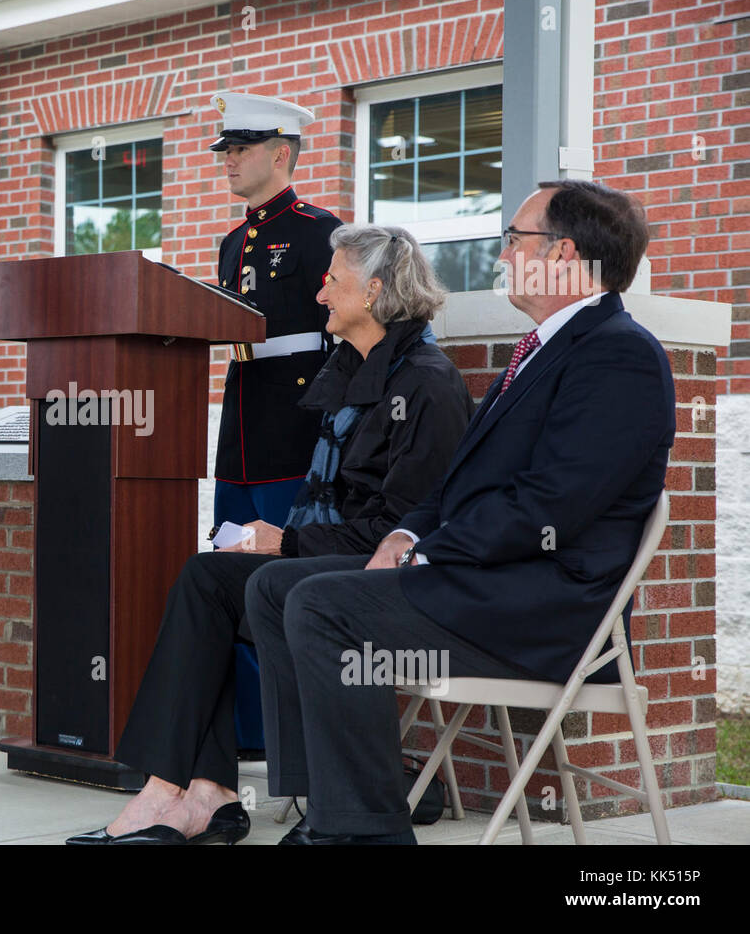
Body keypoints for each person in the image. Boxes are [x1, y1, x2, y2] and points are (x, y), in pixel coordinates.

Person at [245, 180, 673, 844]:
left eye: (514, 240)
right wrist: (407, 530)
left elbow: (549, 507)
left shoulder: (620, 354)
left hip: (544, 611)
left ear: (562, 254)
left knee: (323, 604)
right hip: (487, 585)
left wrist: (429, 552)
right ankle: (331, 805)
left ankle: (363, 832)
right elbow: (458, 484)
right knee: (276, 585)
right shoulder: (540, 350)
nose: (502, 257)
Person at [66, 225, 474, 844]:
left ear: (375, 291)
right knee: (206, 576)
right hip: (328, 564)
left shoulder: (426, 383)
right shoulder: (349, 370)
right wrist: (280, 537)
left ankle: (205, 796)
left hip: (384, 585)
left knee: (266, 580)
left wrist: (285, 542)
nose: (319, 295)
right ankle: (191, 790)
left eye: (332, 280)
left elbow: (404, 531)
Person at [208, 91, 343, 529]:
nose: (229, 159)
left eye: (242, 149)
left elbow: (346, 331)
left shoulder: (318, 230)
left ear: (281, 153)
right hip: (239, 426)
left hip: (293, 426)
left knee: (282, 562)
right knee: (229, 558)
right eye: (227, 150)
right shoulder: (232, 243)